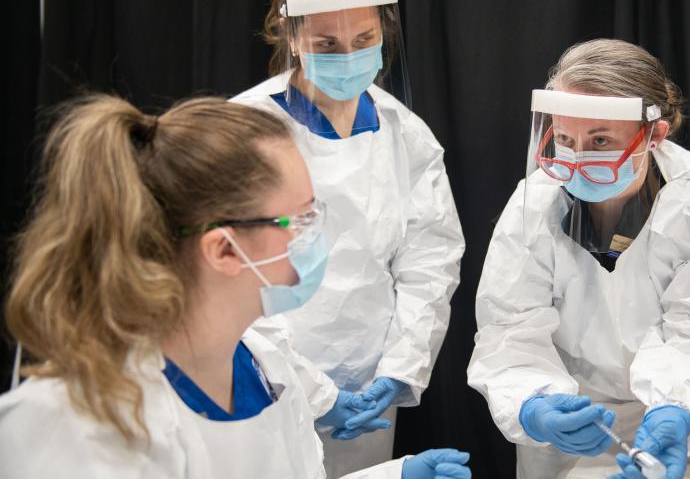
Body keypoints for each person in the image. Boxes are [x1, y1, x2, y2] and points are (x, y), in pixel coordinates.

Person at [0, 94, 471, 479]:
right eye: (302, 218)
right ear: (223, 250)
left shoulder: (264, 363)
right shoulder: (81, 429)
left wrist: (393, 476)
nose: (319, 234)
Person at [467, 39, 690, 479]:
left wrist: (677, 411)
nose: (577, 159)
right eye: (564, 138)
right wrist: (534, 404)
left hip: (673, 419)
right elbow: (508, 329)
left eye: (600, 140)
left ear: (654, 134)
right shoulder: (534, 203)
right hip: (566, 421)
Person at [232, 0, 465, 475]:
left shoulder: (406, 134)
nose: (350, 56)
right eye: (328, 45)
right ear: (291, 36)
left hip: (367, 387)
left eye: (364, 38)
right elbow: (229, 278)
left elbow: (431, 265)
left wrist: (399, 371)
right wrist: (310, 389)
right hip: (259, 374)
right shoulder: (244, 128)